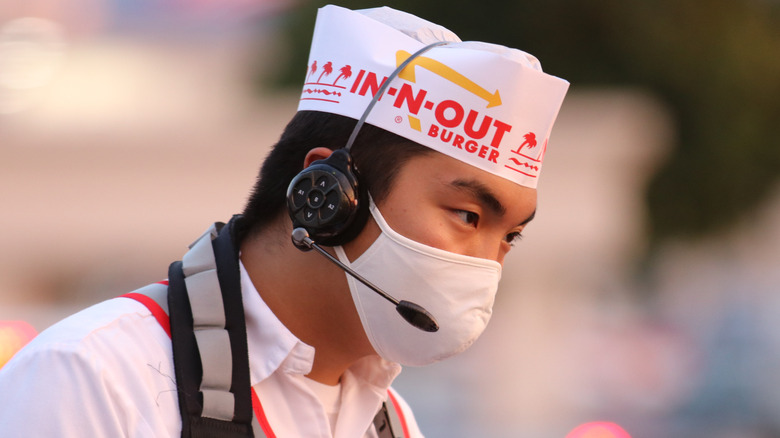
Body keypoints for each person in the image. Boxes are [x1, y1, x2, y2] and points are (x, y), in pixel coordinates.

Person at [0, 5, 568, 438]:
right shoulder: (93, 376)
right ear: (328, 193)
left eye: (511, 237)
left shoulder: (387, 420)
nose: (487, 264)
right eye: (468, 216)